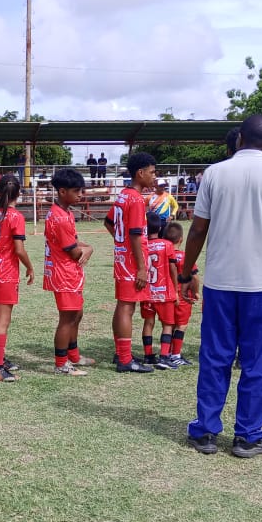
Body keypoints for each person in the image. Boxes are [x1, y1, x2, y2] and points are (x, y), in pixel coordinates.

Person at [179, 114, 262, 459]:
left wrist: (186, 271)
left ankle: (205, 431)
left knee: (215, 356)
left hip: (220, 282)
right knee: (258, 361)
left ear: (239, 140)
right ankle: (248, 436)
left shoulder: (215, 174)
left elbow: (198, 230)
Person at [105, 152, 155, 373]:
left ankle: (120, 353)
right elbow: (135, 234)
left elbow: (109, 222)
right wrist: (142, 268)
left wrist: (120, 242)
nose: (154, 177)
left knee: (122, 305)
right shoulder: (135, 199)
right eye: (152, 172)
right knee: (127, 307)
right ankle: (125, 360)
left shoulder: (122, 196)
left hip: (122, 258)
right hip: (132, 261)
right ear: (140, 173)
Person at [44, 168, 94, 375]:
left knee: (77, 314)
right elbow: (74, 252)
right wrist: (86, 250)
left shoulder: (65, 212)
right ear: (62, 191)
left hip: (70, 274)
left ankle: (73, 355)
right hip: (64, 274)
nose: (80, 195)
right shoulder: (60, 218)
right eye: (76, 191)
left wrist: (88, 247)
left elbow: (73, 242)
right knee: (68, 317)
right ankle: (61, 364)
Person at [0, 174, 35, 382]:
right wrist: (30, 267)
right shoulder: (16, 217)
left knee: (0, 318)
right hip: (5, 273)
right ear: (18, 193)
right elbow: (19, 249)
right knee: (3, 320)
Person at [140, 212, 180, 369]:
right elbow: (172, 267)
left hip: (147, 292)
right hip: (164, 291)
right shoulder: (167, 245)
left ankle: (148, 355)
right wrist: (175, 288)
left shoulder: (142, 244)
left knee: (148, 323)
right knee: (168, 324)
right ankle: (164, 356)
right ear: (161, 226)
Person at [165, 221, 195, 366]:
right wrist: (196, 292)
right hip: (182, 296)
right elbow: (194, 276)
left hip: (167, 295)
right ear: (181, 239)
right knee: (181, 325)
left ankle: (167, 352)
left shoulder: (164, 255)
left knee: (169, 324)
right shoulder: (185, 257)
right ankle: (176, 354)